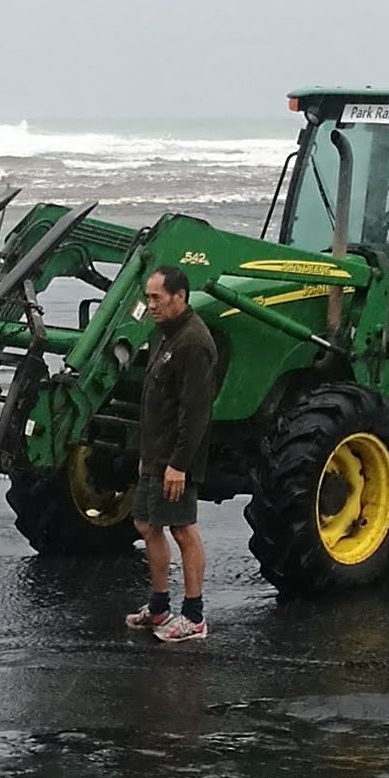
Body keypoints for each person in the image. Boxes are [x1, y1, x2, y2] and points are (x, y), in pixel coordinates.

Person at [124, 263, 220, 643]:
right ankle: (160, 606)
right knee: (146, 524)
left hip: (176, 459)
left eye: (157, 298)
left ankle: (194, 616)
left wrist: (178, 464)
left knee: (182, 528)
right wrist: (148, 456)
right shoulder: (166, 334)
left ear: (180, 297)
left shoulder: (193, 343)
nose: (150, 305)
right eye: (147, 298)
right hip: (155, 453)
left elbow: (194, 412)